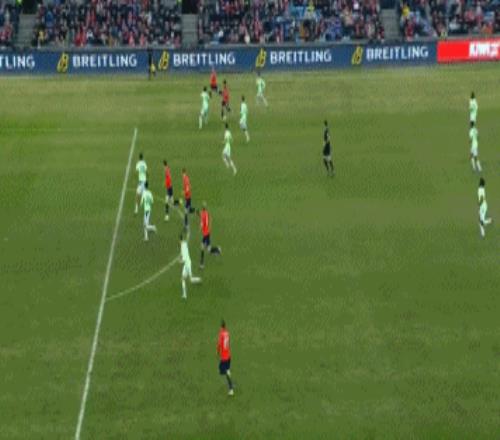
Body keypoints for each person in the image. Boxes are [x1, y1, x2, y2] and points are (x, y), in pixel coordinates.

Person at [179, 231, 201, 299]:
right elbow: (186, 240)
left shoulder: (182, 246)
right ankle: (184, 295)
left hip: (187, 264)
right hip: (186, 264)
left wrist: (180, 261)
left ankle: (199, 279)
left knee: (190, 280)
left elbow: (184, 259)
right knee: (182, 279)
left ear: (179, 240)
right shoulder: (184, 244)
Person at [199, 202, 222, 269]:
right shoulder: (207, 213)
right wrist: (209, 227)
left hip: (205, 234)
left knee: (203, 248)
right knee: (207, 249)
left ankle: (202, 264)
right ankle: (217, 249)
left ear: (202, 208)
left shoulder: (202, 214)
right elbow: (211, 219)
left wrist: (200, 228)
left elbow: (201, 224)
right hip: (207, 233)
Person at [217, 319, 234, 396]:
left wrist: (218, 352)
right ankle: (228, 372)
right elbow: (228, 343)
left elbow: (219, 345)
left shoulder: (221, 334)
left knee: (221, 370)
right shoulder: (227, 333)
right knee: (225, 370)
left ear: (221, 327)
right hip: (228, 356)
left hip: (224, 357)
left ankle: (231, 389)